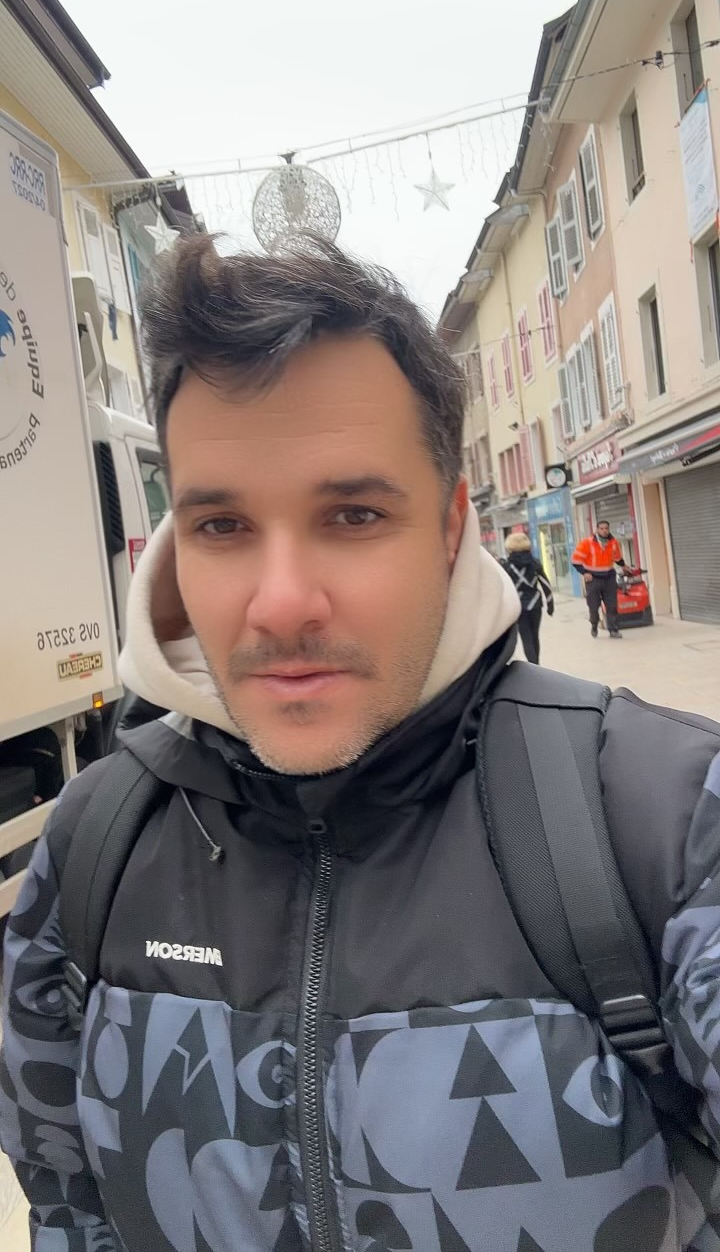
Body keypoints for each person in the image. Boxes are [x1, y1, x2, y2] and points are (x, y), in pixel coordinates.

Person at [1, 236, 720, 1252]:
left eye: (352, 514)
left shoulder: (666, 815)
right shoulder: (94, 842)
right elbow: (70, 1208)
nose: (281, 602)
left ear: (451, 526)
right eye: (222, 527)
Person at [500, 531, 554, 665]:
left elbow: (503, 588)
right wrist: (550, 603)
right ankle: (536, 663)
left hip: (518, 606)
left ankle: (533, 664)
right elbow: (545, 583)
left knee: (526, 638)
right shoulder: (535, 563)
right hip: (535, 604)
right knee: (535, 636)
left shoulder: (507, 566)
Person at [572, 519, 629, 639]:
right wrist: (585, 573)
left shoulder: (613, 542)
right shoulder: (587, 543)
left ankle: (613, 629)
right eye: (601, 528)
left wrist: (624, 566)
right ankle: (594, 624)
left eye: (606, 528)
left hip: (609, 577)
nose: (604, 531)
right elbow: (576, 561)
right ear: (597, 529)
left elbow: (617, 558)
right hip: (593, 578)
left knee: (612, 605)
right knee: (593, 606)